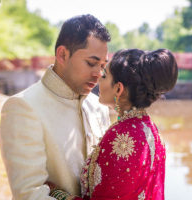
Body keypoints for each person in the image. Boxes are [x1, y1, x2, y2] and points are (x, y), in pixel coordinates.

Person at [0, 14, 111, 200]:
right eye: (91, 63)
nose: (98, 74)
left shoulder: (99, 107)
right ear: (62, 54)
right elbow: (28, 194)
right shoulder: (23, 107)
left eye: (102, 66)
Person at [46, 48, 178, 200]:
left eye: (104, 76)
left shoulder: (121, 137)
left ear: (118, 89)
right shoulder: (151, 129)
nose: (98, 80)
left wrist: (58, 194)